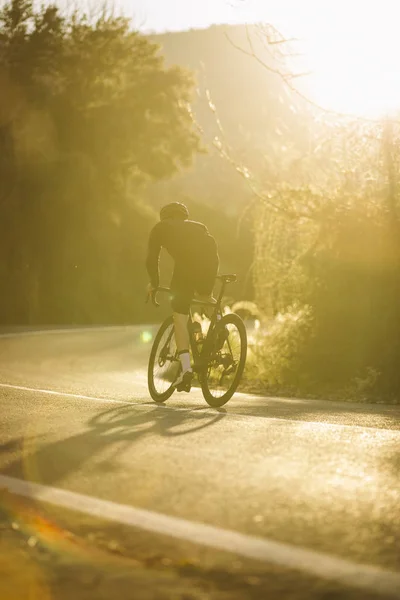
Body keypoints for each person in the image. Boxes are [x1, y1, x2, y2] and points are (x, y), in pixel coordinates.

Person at [146, 202, 219, 392]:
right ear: (183, 216)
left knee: (179, 317)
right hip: (210, 260)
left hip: (185, 268)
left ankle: (186, 370)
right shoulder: (198, 226)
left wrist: (154, 283)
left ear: (165, 217)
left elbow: (152, 258)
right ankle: (220, 327)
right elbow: (209, 248)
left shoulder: (160, 228)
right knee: (205, 297)